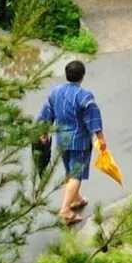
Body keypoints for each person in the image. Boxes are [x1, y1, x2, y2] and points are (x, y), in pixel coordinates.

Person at [34, 58, 102, 229]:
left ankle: (76, 199)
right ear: (82, 76)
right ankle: (65, 210)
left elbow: (46, 113)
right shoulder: (84, 95)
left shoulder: (55, 92)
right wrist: (101, 139)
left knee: (69, 170)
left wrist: (42, 132)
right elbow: (93, 118)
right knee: (76, 174)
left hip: (62, 139)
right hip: (79, 140)